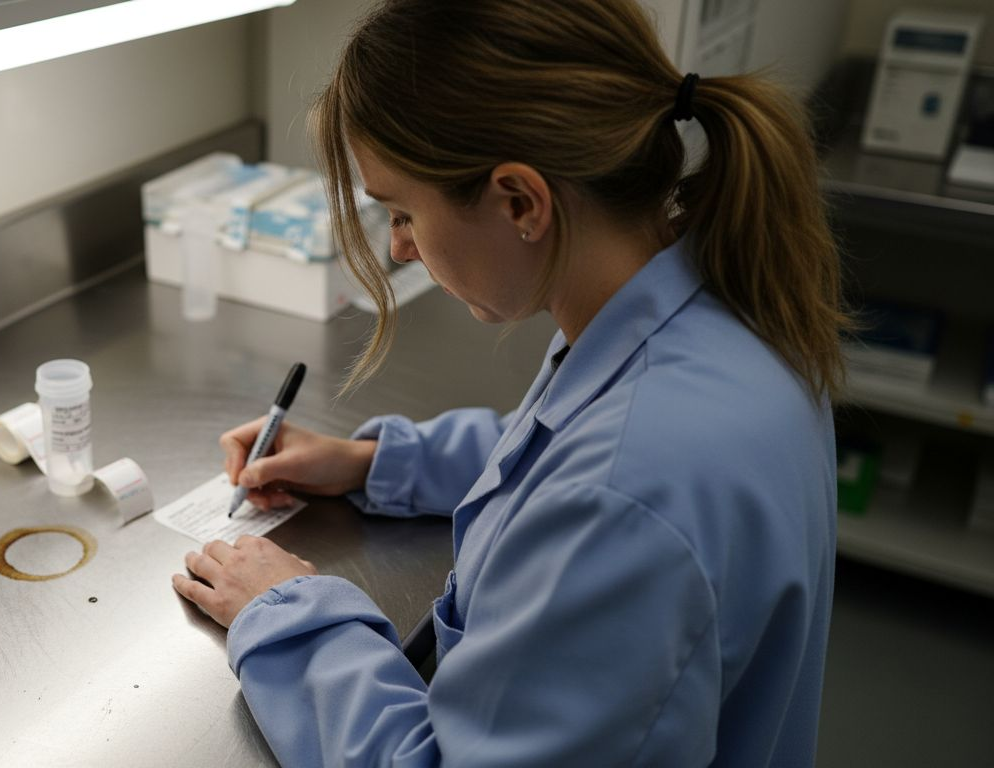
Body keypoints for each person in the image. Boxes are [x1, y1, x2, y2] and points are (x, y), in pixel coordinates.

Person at [170, 0, 848, 764]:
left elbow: (598, 489)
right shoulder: (705, 298)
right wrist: (373, 463)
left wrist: (287, 614)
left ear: (520, 201)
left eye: (401, 212)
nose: (398, 250)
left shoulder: (626, 499)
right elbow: (562, 448)